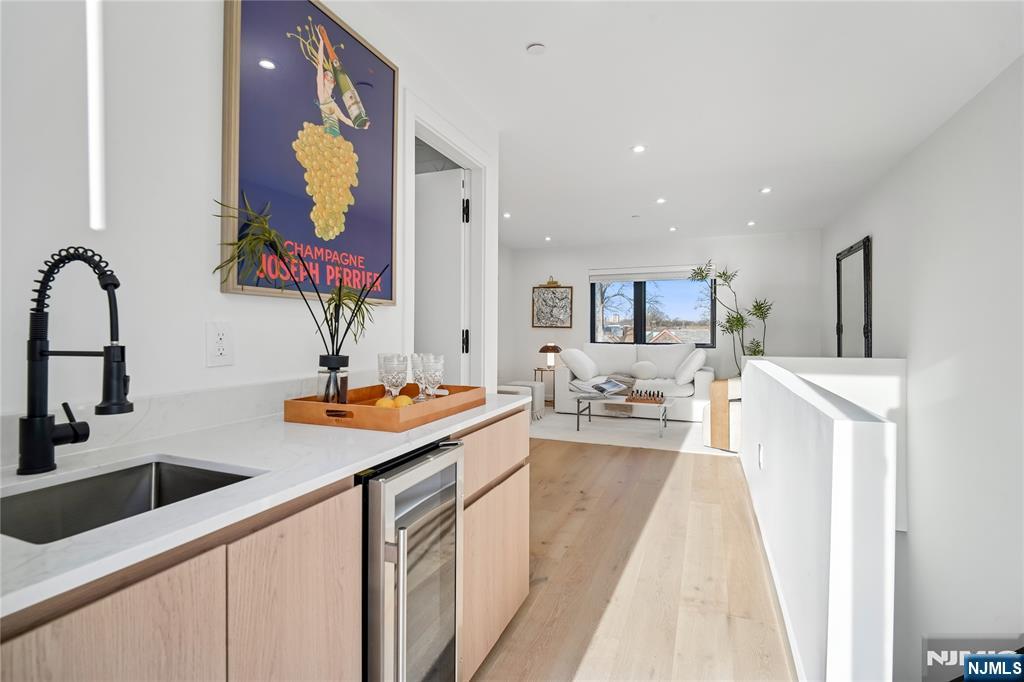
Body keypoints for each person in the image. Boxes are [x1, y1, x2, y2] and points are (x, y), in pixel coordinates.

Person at [316, 36, 353, 136]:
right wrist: (321, 40)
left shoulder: (333, 104)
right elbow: (319, 64)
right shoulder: (321, 94)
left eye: (330, 77)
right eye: (326, 75)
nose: (328, 78)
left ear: (333, 83)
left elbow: (345, 120)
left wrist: (360, 126)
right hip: (326, 140)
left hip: (336, 140)